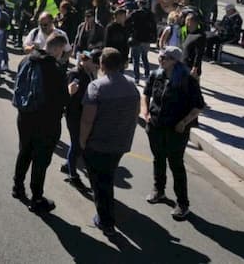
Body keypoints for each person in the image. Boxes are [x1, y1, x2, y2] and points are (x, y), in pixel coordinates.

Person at [80, 47, 140, 237]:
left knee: (100, 182)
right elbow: (136, 112)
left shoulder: (96, 87)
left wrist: (82, 141)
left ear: (102, 65)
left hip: (98, 144)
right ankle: (107, 215)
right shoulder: (131, 84)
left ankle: (106, 221)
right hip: (121, 142)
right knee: (108, 176)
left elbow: (87, 119)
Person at [142, 46, 205, 220]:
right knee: (158, 159)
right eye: (161, 56)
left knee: (176, 164)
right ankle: (159, 191)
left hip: (176, 130)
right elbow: (146, 94)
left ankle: (183, 204)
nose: (161, 59)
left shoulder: (187, 80)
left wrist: (184, 122)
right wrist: (145, 113)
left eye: (165, 57)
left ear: (175, 61)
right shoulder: (156, 75)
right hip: (155, 126)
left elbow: (199, 105)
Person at [12, 33, 69, 213]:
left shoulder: (26, 60)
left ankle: (17, 186)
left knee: (24, 151)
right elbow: (62, 99)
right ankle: (37, 197)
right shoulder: (54, 68)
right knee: (40, 159)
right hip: (45, 121)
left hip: (24, 115)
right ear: (58, 48)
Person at [61, 48, 101, 190]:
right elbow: (68, 94)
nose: (96, 65)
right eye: (93, 62)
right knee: (77, 143)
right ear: (84, 61)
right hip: (74, 114)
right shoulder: (75, 74)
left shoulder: (89, 73)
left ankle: (68, 165)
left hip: (83, 113)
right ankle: (73, 176)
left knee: (79, 144)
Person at [126, 0, 157, 84]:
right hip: (146, 39)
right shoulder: (150, 14)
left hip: (136, 38)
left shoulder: (135, 13)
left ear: (139, 3)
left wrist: (131, 31)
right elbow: (154, 27)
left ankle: (137, 78)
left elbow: (127, 22)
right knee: (144, 57)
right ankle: (147, 74)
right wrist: (154, 38)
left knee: (136, 59)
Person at [181, 13, 205, 81]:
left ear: (193, 22)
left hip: (190, 68)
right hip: (184, 65)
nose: (186, 23)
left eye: (187, 21)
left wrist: (195, 68)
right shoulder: (190, 33)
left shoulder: (199, 36)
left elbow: (199, 54)